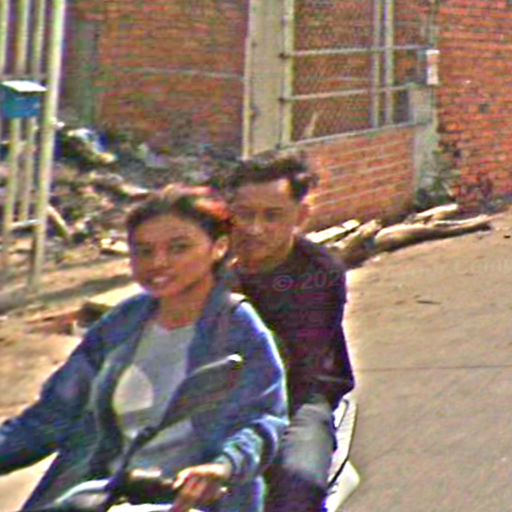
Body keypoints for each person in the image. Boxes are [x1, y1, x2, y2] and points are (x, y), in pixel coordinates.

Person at [0, 185, 288, 512]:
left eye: (179, 248)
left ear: (218, 248)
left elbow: (263, 421)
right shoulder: (124, 321)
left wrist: (223, 467)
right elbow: (51, 417)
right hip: (105, 494)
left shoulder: (237, 328)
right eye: (144, 251)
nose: (158, 262)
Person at [227, 153, 355, 512]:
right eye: (244, 214)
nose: (254, 228)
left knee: (298, 483)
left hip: (297, 397)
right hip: (205, 395)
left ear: (300, 216)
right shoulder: (206, 258)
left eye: (272, 215)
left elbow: (293, 364)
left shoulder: (318, 273)